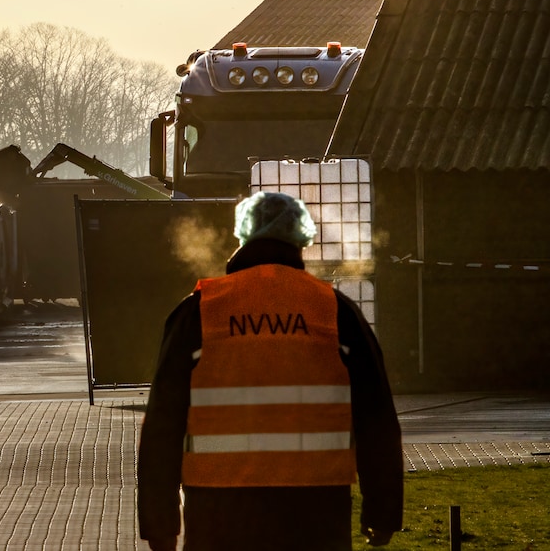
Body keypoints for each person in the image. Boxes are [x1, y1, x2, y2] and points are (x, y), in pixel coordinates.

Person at [137, 191, 403, 550]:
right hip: (316, 515)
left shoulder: (200, 312)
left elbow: (162, 425)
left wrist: (160, 523)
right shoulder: (334, 312)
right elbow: (377, 419)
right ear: (300, 237)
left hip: (218, 514)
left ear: (244, 234)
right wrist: (382, 512)